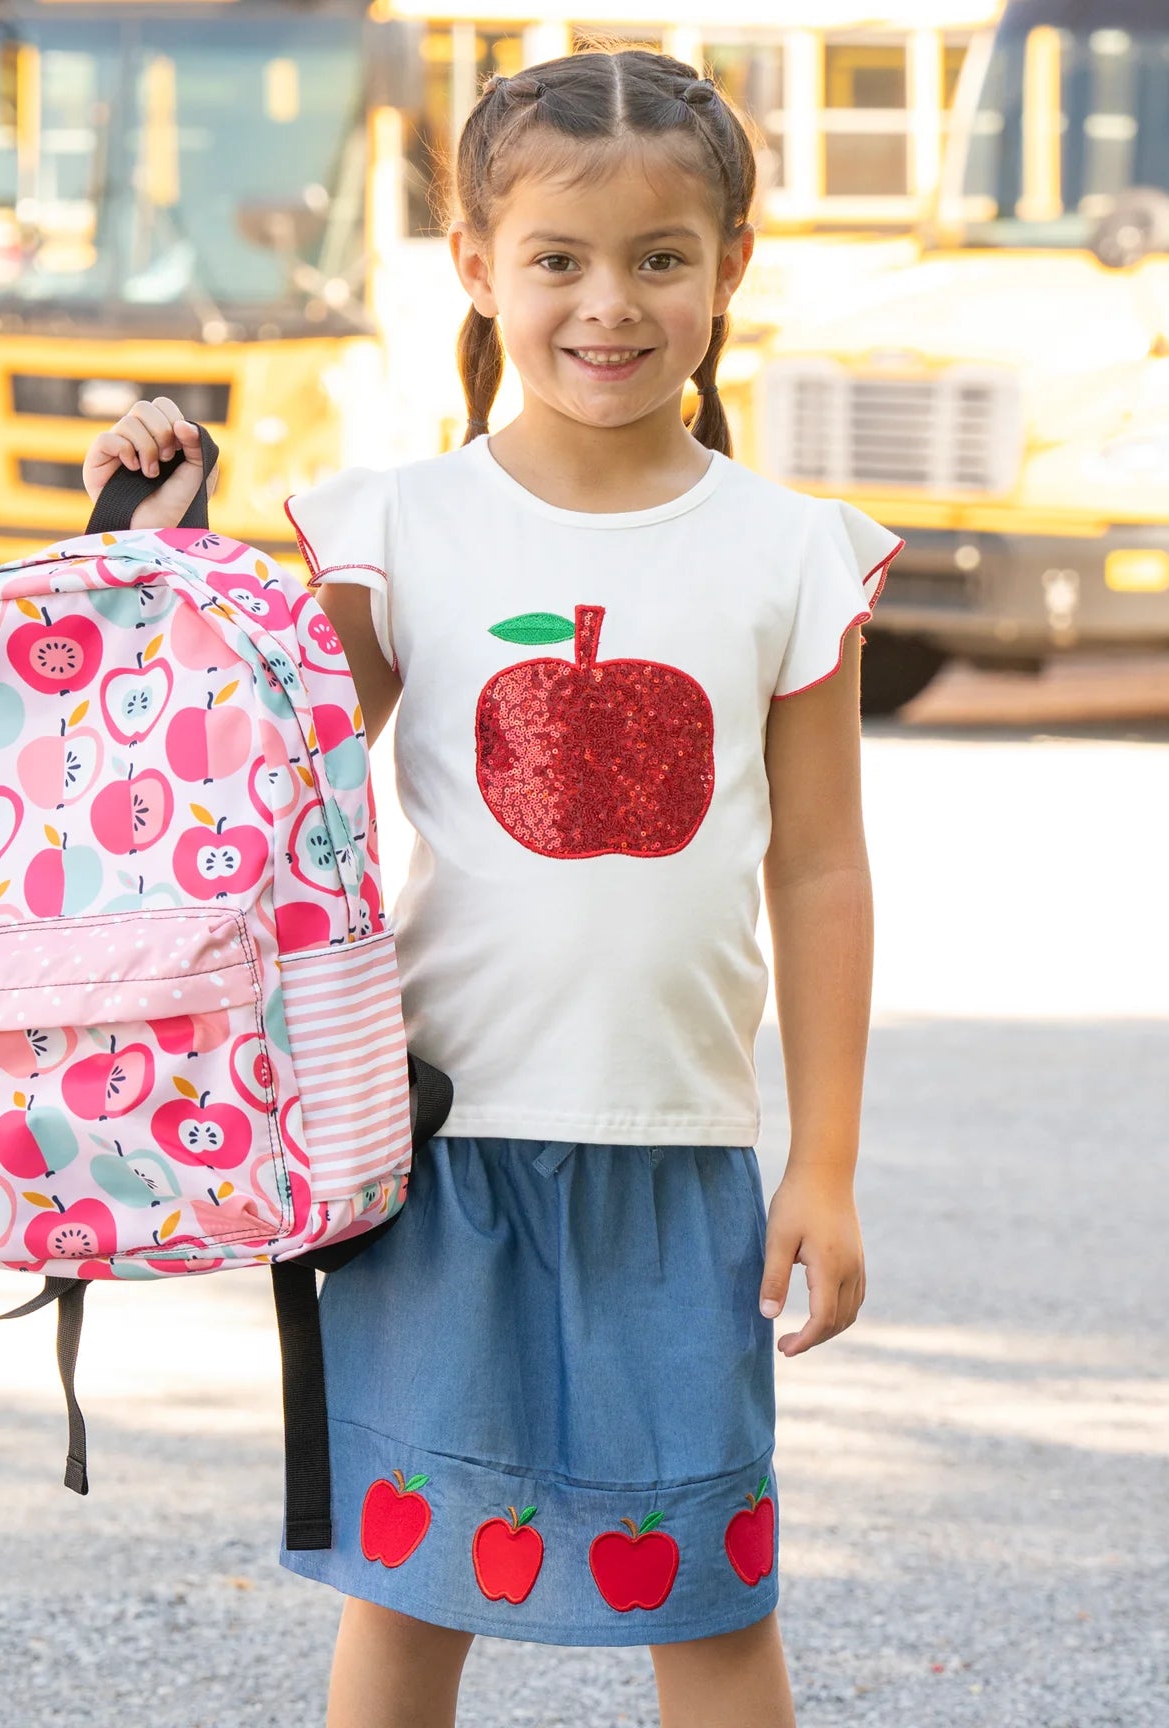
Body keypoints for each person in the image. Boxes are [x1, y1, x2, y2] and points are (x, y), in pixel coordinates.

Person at [83, 46, 903, 1728]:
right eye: (559, 261)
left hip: (680, 1165)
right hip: (433, 1155)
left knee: (710, 1595)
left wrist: (819, 1158)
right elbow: (247, 770)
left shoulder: (790, 548)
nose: (611, 305)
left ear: (729, 267)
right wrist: (152, 538)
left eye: (660, 259)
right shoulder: (395, 527)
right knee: (413, 1596)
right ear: (476, 263)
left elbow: (821, 869)